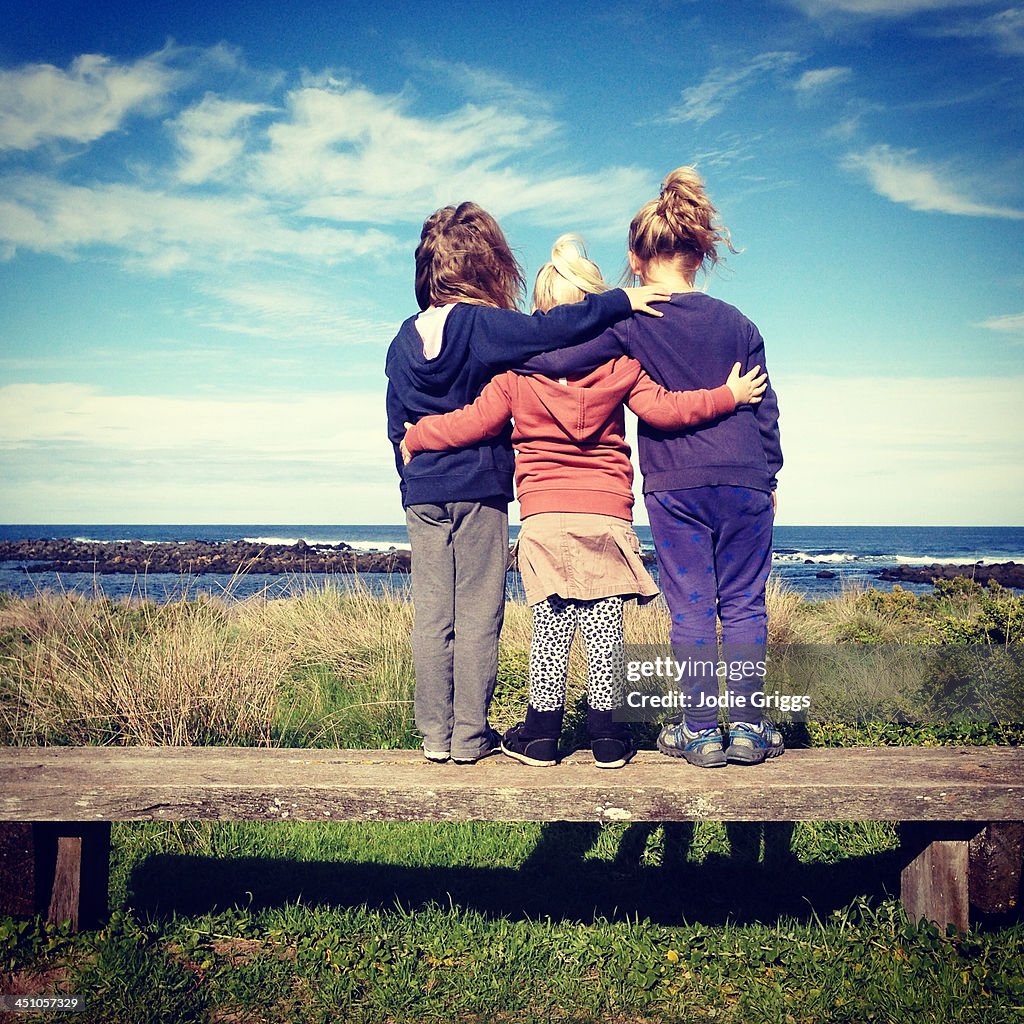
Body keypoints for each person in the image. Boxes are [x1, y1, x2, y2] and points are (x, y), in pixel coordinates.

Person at [401, 234, 766, 769]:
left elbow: (469, 424)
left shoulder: (514, 376)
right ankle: (608, 738)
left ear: (541, 314)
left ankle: (543, 735)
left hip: (546, 515)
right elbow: (666, 411)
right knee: (603, 632)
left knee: (550, 629)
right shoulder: (622, 367)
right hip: (607, 512)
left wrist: (418, 437)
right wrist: (726, 397)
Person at [385, 204, 670, 766]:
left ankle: (436, 737)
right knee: (479, 615)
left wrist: (412, 469)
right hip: (487, 489)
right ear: (489, 265)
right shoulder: (485, 325)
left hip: (424, 493)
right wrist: (620, 301)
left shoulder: (401, 340)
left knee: (432, 616)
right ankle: (473, 736)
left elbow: (396, 420)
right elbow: (551, 329)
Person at [520, 168, 784, 768]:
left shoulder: (634, 320)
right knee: (744, 603)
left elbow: (556, 356)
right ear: (699, 254)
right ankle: (745, 729)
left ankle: (700, 732)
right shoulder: (742, 324)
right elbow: (766, 411)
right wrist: (770, 478)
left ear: (637, 260)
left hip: (676, 485)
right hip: (746, 481)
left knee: (691, 605)